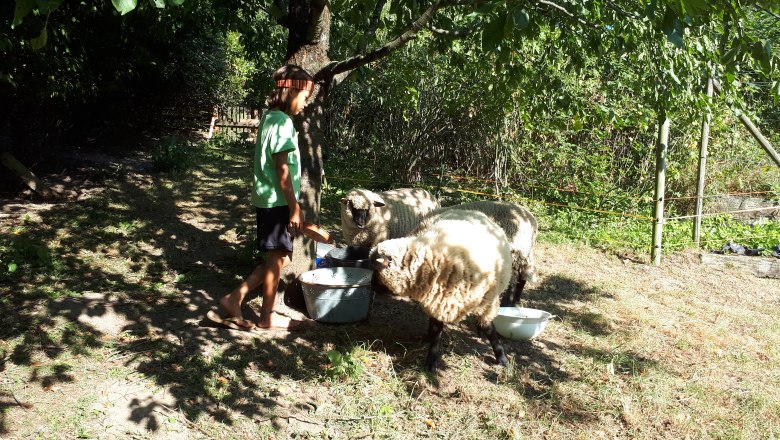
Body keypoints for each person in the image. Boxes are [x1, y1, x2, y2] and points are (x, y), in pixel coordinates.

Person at [216, 64, 314, 330]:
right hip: (278, 201)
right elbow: (282, 170)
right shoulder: (282, 123)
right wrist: (294, 208)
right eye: (305, 98)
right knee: (277, 259)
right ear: (292, 92)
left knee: (280, 257)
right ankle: (267, 316)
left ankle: (234, 298)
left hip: (270, 200)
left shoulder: (270, 118)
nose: (305, 105)